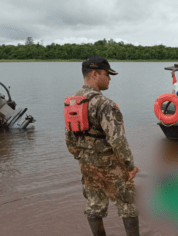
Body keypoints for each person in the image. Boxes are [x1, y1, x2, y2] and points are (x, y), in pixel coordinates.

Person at [65, 56, 140, 236]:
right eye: (107, 74)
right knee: (128, 204)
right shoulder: (105, 104)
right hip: (110, 164)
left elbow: (69, 138)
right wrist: (129, 166)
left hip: (87, 165)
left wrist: (82, 158)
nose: (110, 78)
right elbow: (117, 140)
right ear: (95, 73)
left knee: (94, 205)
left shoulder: (72, 102)